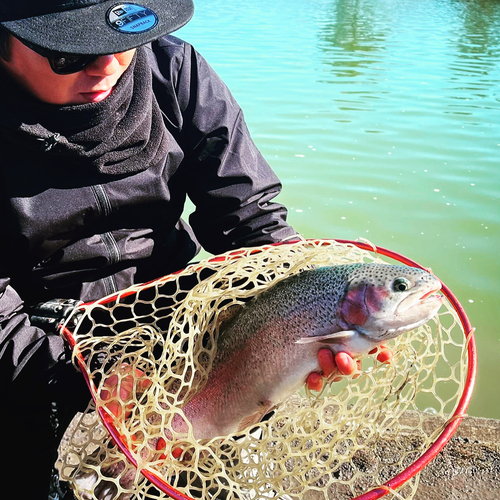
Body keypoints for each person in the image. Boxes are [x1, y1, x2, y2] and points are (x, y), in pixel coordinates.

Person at [0, 1, 363, 498]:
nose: (107, 65)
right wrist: (80, 377)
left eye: (122, 39)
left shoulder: (174, 70)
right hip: (31, 343)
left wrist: (315, 316)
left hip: (171, 321)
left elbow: (250, 219)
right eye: (71, 52)